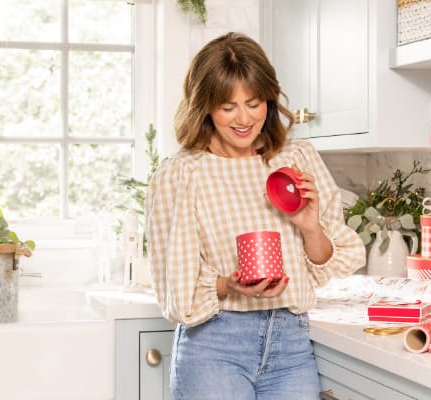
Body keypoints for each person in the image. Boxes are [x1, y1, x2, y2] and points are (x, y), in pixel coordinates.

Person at [146, 32, 366, 400]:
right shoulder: (182, 174)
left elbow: (327, 260)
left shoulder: (297, 159)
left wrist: (311, 228)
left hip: (290, 343)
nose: (244, 118)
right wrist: (228, 285)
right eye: (228, 107)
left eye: (254, 102)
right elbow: (175, 285)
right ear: (205, 107)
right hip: (214, 345)